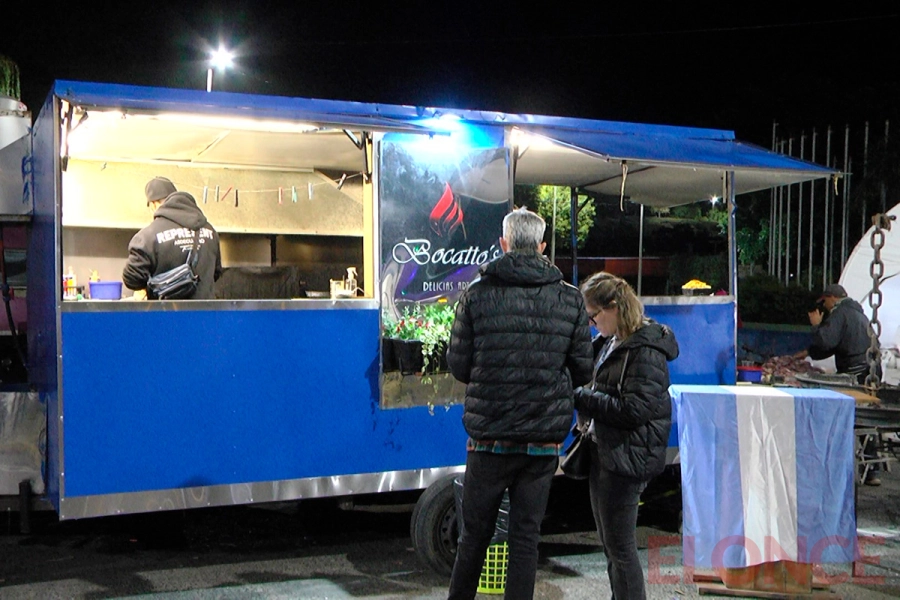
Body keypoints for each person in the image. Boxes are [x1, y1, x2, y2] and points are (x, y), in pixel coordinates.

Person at [446, 207, 594, 600]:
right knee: (525, 539)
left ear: (504, 244)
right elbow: (583, 370)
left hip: (489, 440)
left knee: (474, 538)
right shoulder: (570, 299)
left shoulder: (476, 294)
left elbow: (458, 366)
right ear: (542, 246)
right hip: (541, 444)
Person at [574, 273, 679, 600]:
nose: (592, 324)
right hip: (604, 452)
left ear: (615, 306)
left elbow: (635, 410)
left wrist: (580, 397)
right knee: (610, 546)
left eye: (594, 316)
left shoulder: (645, 349)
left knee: (620, 549)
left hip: (626, 458)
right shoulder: (611, 340)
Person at [795, 283, 883, 485]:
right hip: (871, 371)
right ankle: (872, 469)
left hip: (856, 372)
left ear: (831, 298)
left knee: (854, 416)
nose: (823, 307)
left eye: (824, 302)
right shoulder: (857, 314)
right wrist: (809, 353)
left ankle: (851, 466)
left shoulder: (840, 313)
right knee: (866, 418)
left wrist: (816, 325)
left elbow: (826, 341)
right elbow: (833, 344)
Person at [123, 177, 222, 299]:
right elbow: (216, 273)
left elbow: (132, 279)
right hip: (205, 315)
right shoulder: (210, 231)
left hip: (166, 314)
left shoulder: (148, 236)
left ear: (154, 204)